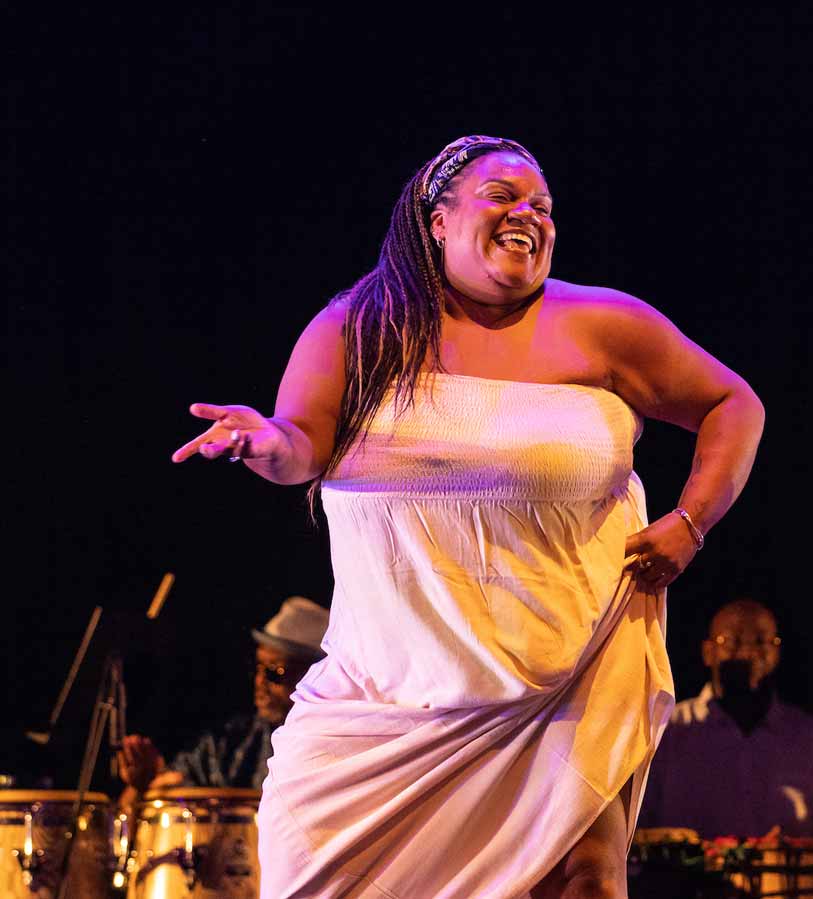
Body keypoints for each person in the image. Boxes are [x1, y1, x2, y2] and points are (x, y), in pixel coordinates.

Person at [172, 135, 764, 898]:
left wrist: (692, 521)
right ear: (437, 220)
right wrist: (260, 440)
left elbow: (732, 404)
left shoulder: (603, 325)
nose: (529, 214)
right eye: (503, 197)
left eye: (542, 206)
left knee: (585, 878)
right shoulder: (359, 328)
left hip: (568, 679)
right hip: (388, 703)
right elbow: (299, 448)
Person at [638, 598, 813, 838]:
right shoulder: (666, 731)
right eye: (732, 641)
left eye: (761, 642)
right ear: (708, 652)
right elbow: (632, 834)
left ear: (777, 652)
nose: (747, 654)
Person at [114, 596, 329, 812]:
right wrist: (143, 784)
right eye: (258, 667)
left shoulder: (336, 747)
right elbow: (153, 800)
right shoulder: (231, 741)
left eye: (274, 672)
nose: (259, 681)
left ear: (315, 675)